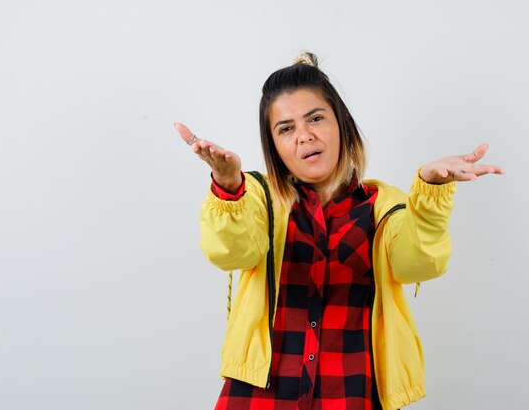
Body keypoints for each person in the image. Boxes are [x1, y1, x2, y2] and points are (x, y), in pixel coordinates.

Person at [174, 52, 503, 410]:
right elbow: (231, 252)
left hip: (351, 394)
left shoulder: (384, 205)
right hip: (259, 395)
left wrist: (429, 192)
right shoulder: (257, 198)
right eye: (286, 129)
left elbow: (420, 264)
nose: (304, 136)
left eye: (315, 118)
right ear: (274, 146)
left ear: (342, 123)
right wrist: (227, 185)